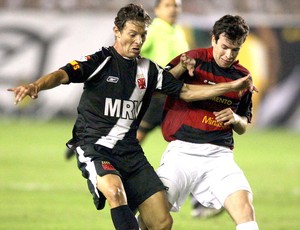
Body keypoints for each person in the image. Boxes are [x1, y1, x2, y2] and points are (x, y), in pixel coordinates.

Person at [8, 4, 254, 229]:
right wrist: (36, 86)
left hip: (131, 152)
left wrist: (230, 93)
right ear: (117, 31)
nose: (138, 41)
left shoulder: (149, 70)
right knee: (116, 193)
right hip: (95, 146)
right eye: (133, 34)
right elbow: (63, 74)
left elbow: (186, 91)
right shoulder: (100, 61)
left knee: (161, 222)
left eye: (143, 35)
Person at [140, 15, 259, 230]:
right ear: (213, 39)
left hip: (219, 158)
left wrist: (235, 119)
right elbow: (157, 90)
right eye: (224, 47)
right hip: (181, 154)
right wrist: (179, 71)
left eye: (235, 49)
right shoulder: (191, 60)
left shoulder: (242, 76)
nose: (228, 54)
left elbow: (243, 125)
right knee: (150, 217)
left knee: (246, 211)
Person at [138, 0, 223, 219]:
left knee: (192, 143)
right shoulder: (153, 30)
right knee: (132, 140)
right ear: (157, 10)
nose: (173, 9)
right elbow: (132, 54)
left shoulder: (178, 32)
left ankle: (199, 202)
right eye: (168, 5)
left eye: (176, 5)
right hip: (157, 98)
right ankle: (105, 164)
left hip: (175, 99)